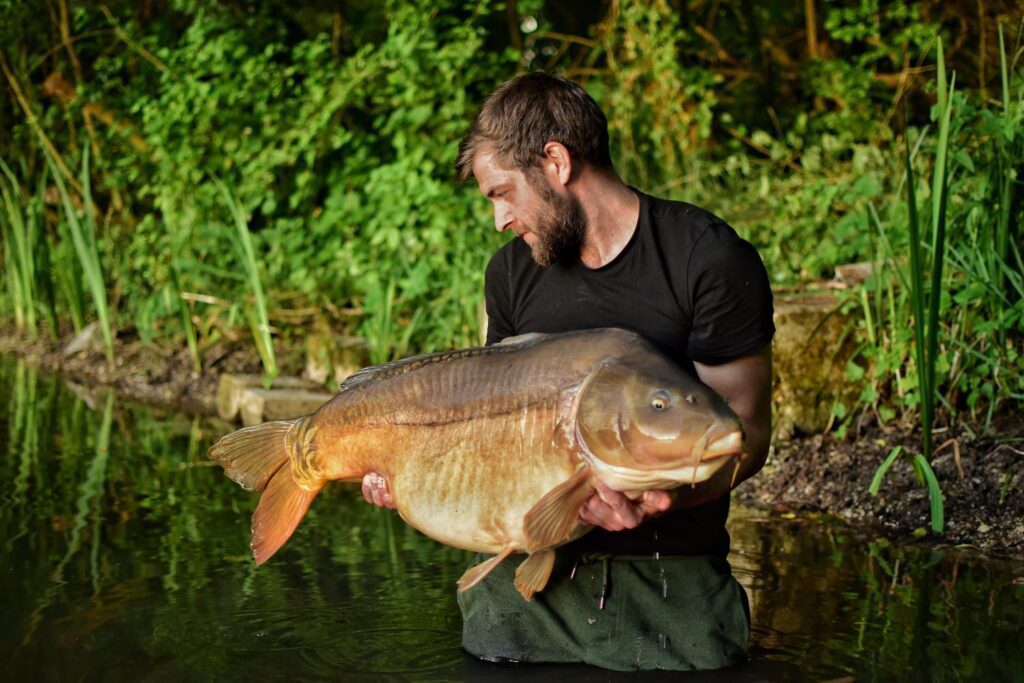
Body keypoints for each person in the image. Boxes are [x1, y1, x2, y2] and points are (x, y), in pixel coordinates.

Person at [361, 72, 774, 672]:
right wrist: (408, 472)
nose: (500, 219)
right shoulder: (510, 274)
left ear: (555, 161)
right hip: (524, 586)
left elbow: (745, 435)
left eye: (503, 193)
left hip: (671, 577)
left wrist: (658, 497)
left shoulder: (705, 258)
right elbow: (486, 434)